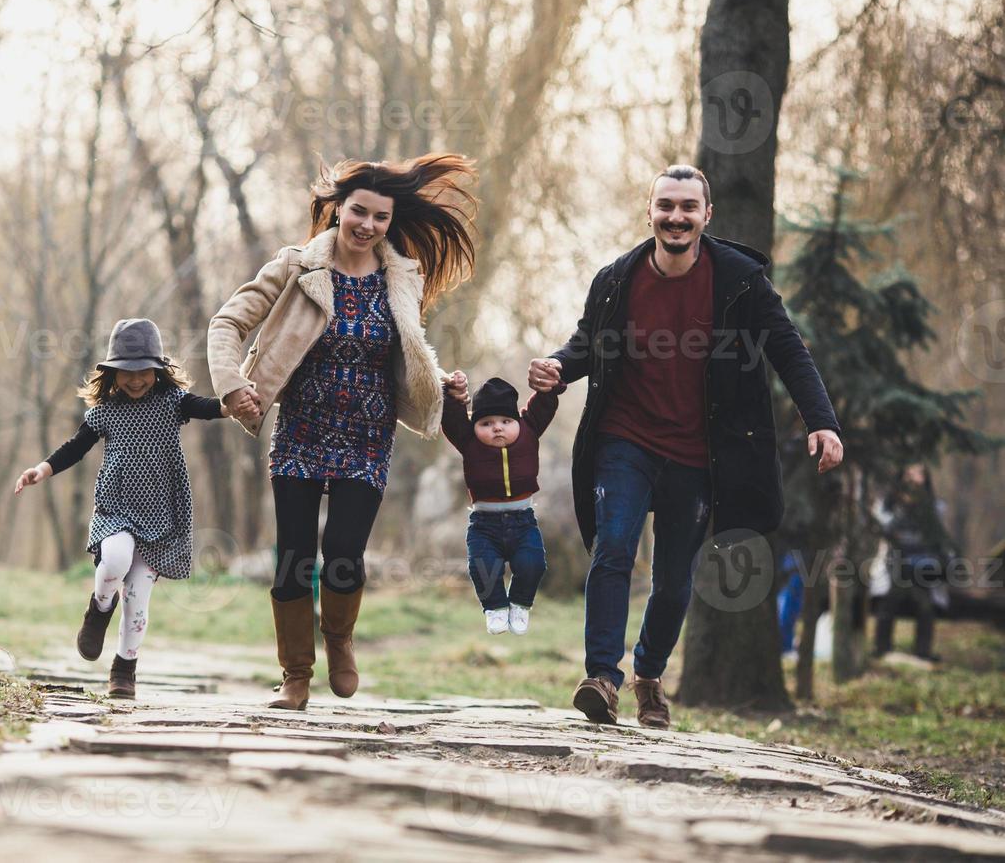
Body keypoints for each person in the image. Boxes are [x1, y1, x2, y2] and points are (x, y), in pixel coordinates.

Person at [529, 164, 843, 729]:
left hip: (699, 452)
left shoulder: (740, 282)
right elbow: (586, 343)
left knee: (674, 580)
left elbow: (788, 348)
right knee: (614, 548)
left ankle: (649, 675)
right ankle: (602, 676)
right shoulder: (616, 280)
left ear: (706, 216)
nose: (676, 217)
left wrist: (821, 419)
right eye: (666, 206)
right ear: (649, 211)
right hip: (624, 438)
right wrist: (558, 365)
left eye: (687, 207)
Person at [208, 153, 477, 711]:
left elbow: (409, 348)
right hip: (302, 430)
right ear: (337, 209)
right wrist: (233, 384)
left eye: (381, 218)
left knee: (345, 555)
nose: (368, 225)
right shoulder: (296, 266)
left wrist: (442, 382)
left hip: (367, 436)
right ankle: (295, 675)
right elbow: (227, 322)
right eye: (360, 212)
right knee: (293, 558)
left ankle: (339, 637)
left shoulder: (402, 276)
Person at [13, 318, 252, 699]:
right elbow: (76, 446)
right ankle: (99, 608)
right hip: (117, 508)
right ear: (112, 373)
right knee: (115, 559)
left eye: (144, 371)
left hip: (162, 514)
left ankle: (124, 669)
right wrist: (42, 469)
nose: (136, 379)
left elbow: (209, 408)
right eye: (127, 372)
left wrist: (233, 406)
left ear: (158, 371)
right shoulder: (106, 411)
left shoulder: (173, 403)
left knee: (139, 599)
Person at [440, 370, 564, 635]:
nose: (497, 427)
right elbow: (451, 419)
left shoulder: (529, 431)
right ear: (474, 426)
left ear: (518, 420)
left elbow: (544, 404)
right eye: (486, 423)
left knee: (533, 564)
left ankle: (520, 603)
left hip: (523, 521)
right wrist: (452, 394)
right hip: (484, 525)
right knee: (481, 566)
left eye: (506, 421)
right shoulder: (469, 441)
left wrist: (550, 385)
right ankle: (495, 607)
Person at [872, 463, 952, 661]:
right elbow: (885, 529)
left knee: (925, 606)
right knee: (888, 604)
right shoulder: (887, 506)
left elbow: (940, 541)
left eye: (920, 474)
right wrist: (902, 511)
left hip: (923, 568)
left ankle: (923, 652)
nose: (915, 480)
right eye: (910, 474)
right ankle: (881, 649)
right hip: (894, 565)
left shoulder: (934, 509)